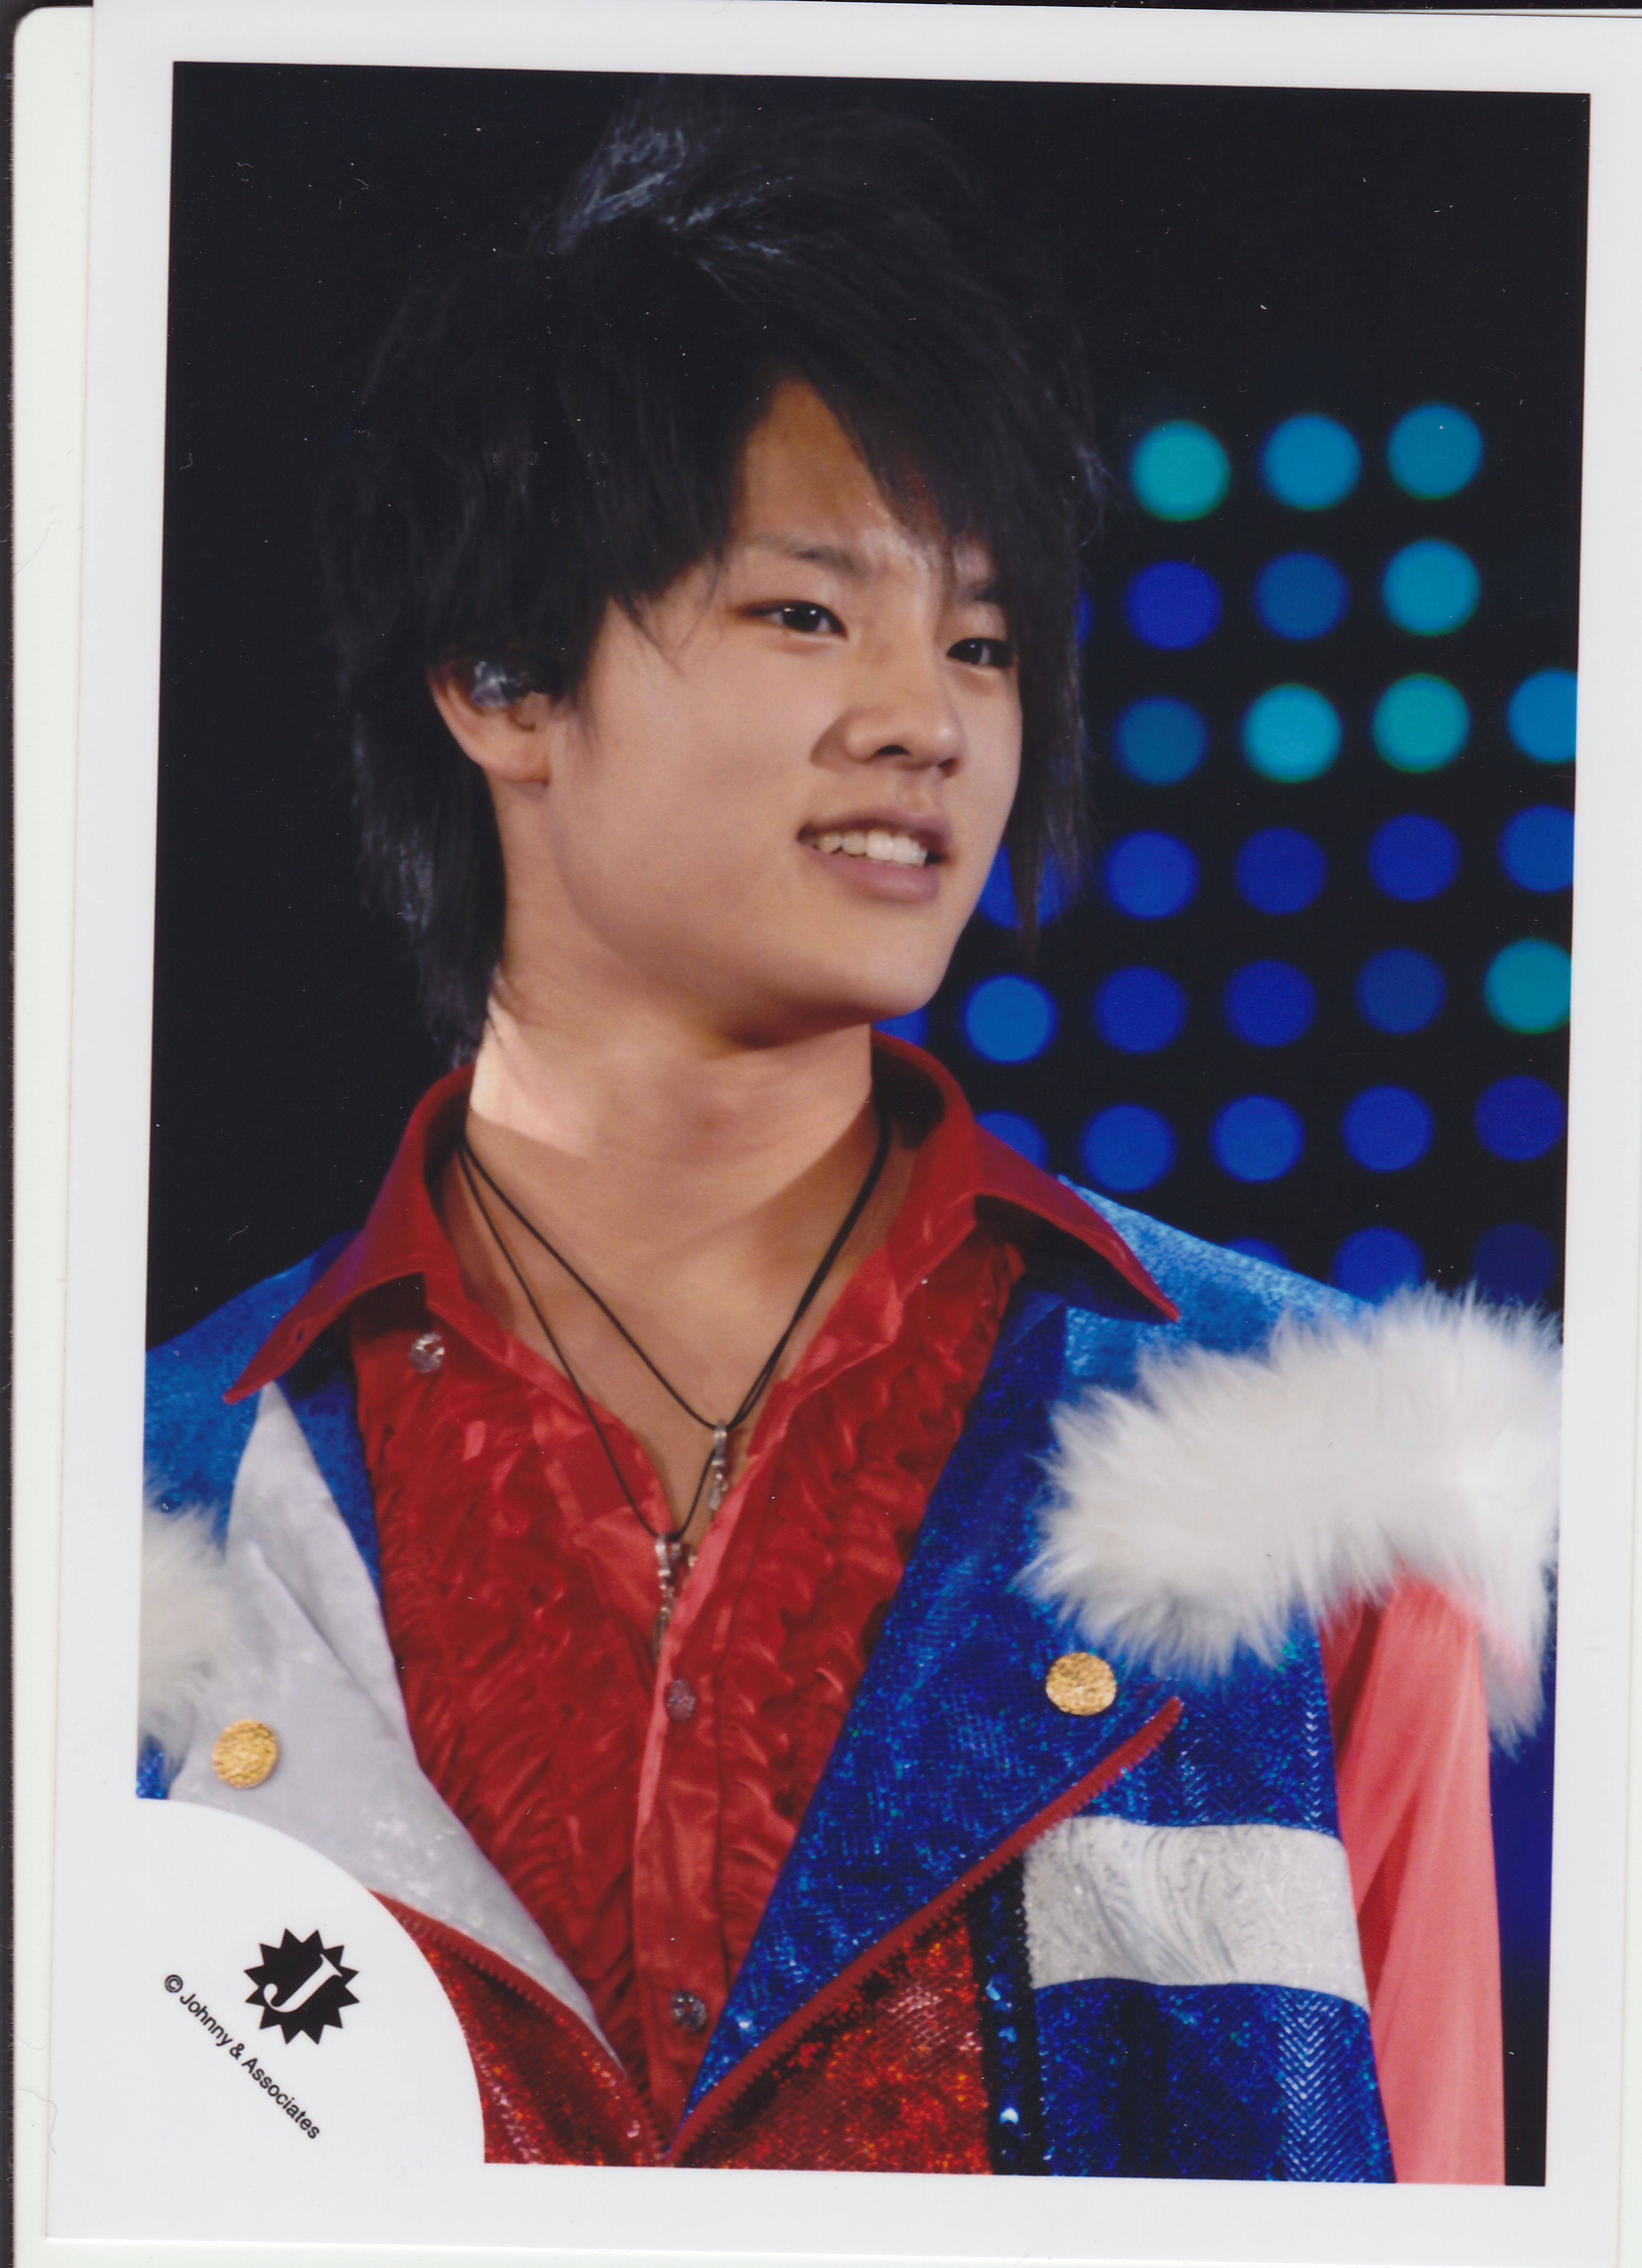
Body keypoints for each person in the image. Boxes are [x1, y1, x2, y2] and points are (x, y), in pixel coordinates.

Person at [138, 94, 1559, 2180]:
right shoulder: (134, 1518)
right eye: (809, 613)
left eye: (982, 640)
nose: (931, 720)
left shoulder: (1319, 1474)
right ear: (502, 678)